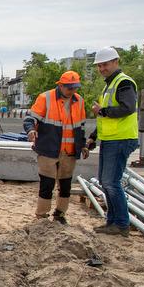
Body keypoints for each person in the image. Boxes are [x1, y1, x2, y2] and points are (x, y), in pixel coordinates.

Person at [85, 46, 139, 236]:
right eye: (99, 66)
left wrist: (103, 111)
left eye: (105, 65)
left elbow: (128, 108)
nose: (102, 69)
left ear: (116, 62)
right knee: (105, 182)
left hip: (121, 139)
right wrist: (93, 137)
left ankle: (121, 224)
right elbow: (103, 118)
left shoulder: (123, 83)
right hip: (110, 139)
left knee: (111, 182)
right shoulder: (109, 85)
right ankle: (112, 222)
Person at [23, 70, 89, 224]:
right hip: (48, 149)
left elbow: (81, 127)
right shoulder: (46, 98)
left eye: (74, 88)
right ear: (60, 85)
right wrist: (31, 130)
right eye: (68, 88)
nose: (72, 91)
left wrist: (83, 145)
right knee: (47, 184)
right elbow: (30, 118)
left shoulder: (79, 101)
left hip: (69, 151)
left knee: (65, 185)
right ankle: (42, 216)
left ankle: (60, 214)